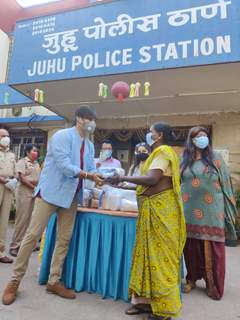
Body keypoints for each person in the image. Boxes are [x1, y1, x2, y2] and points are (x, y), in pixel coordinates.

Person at [2, 106, 104, 305]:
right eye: (88, 119)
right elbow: (65, 166)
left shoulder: (90, 145)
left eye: (94, 119)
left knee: (64, 239)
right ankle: (14, 281)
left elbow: (91, 168)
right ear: (79, 119)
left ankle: (54, 281)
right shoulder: (62, 136)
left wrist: (100, 178)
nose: (92, 123)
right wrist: (88, 174)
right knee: (32, 236)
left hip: (72, 196)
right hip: (50, 192)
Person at [108, 123, 186, 320]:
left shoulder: (162, 152)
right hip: (151, 211)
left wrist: (123, 176)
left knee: (160, 260)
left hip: (161, 213)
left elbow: (152, 180)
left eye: (151, 133)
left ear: (159, 135)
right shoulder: (158, 153)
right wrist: (123, 184)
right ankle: (143, 303)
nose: (149, 136)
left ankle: (164, 309)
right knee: (145, 257)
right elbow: (150, 184)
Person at [181, 126, 237, 300]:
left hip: (212, 212)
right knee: (190, 247)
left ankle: (212, 284)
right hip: (188, 210)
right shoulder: (184, 160)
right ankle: (191, 279)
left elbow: (226, 184)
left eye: (205, 135)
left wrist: (230, 212)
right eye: (198, 136)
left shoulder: (215, 158)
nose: (202, 138)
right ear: (192, 140)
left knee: (212, 248)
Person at [9, 144, 41, 257]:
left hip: (34, 193)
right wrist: (34, 187)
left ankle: (25, 245)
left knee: (31, 220)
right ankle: (14, 246)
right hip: (24, 192)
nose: (36, 153)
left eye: (37, 151)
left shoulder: (37, 164)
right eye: (34, 151)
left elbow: (39, 178)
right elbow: (21, 178)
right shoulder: (22, 162)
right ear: (27, 152)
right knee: (21, 220)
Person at [0, 129, 17, 264]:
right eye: (3, 136)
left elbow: (15, 171)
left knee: (4, 221)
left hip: (8, 187)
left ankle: (0, 252)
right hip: (1, 184)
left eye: (8, 136)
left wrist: (14, 180)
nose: (6, 138)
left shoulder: (12, 155)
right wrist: (5, 180)